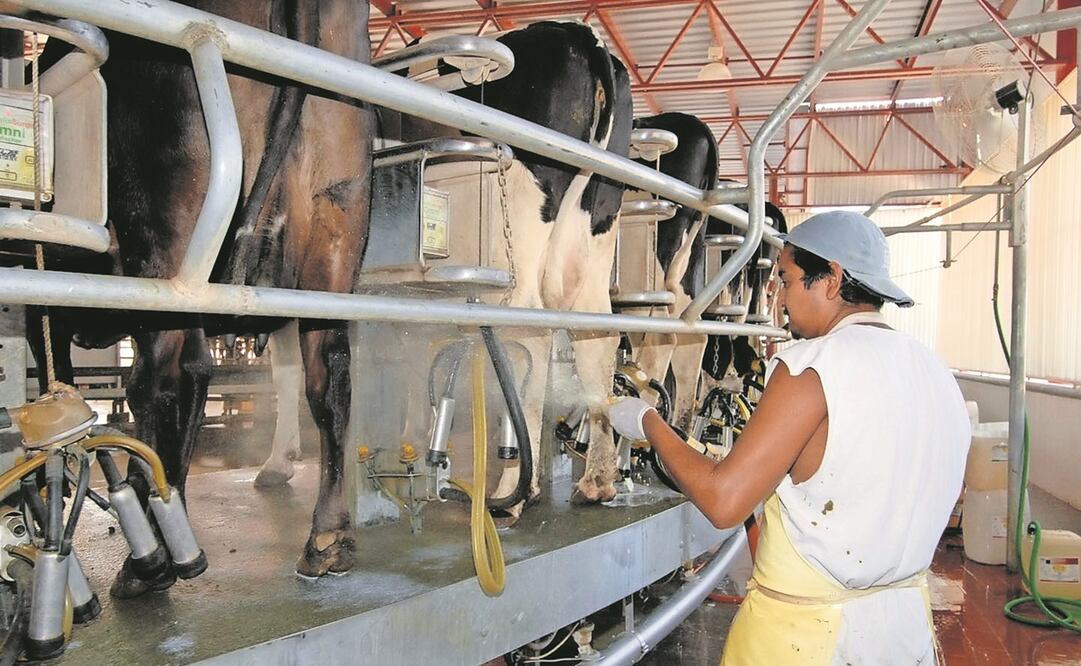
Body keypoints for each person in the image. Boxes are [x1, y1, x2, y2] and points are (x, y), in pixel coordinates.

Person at [607, 210, 970, 665]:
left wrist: (647, 423)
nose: (779, 299)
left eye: (787, 279)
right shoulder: (935, 370)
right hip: (903, 632)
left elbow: (724, 501)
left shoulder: (811, 366)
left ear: (832, 279)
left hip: (810, 640)